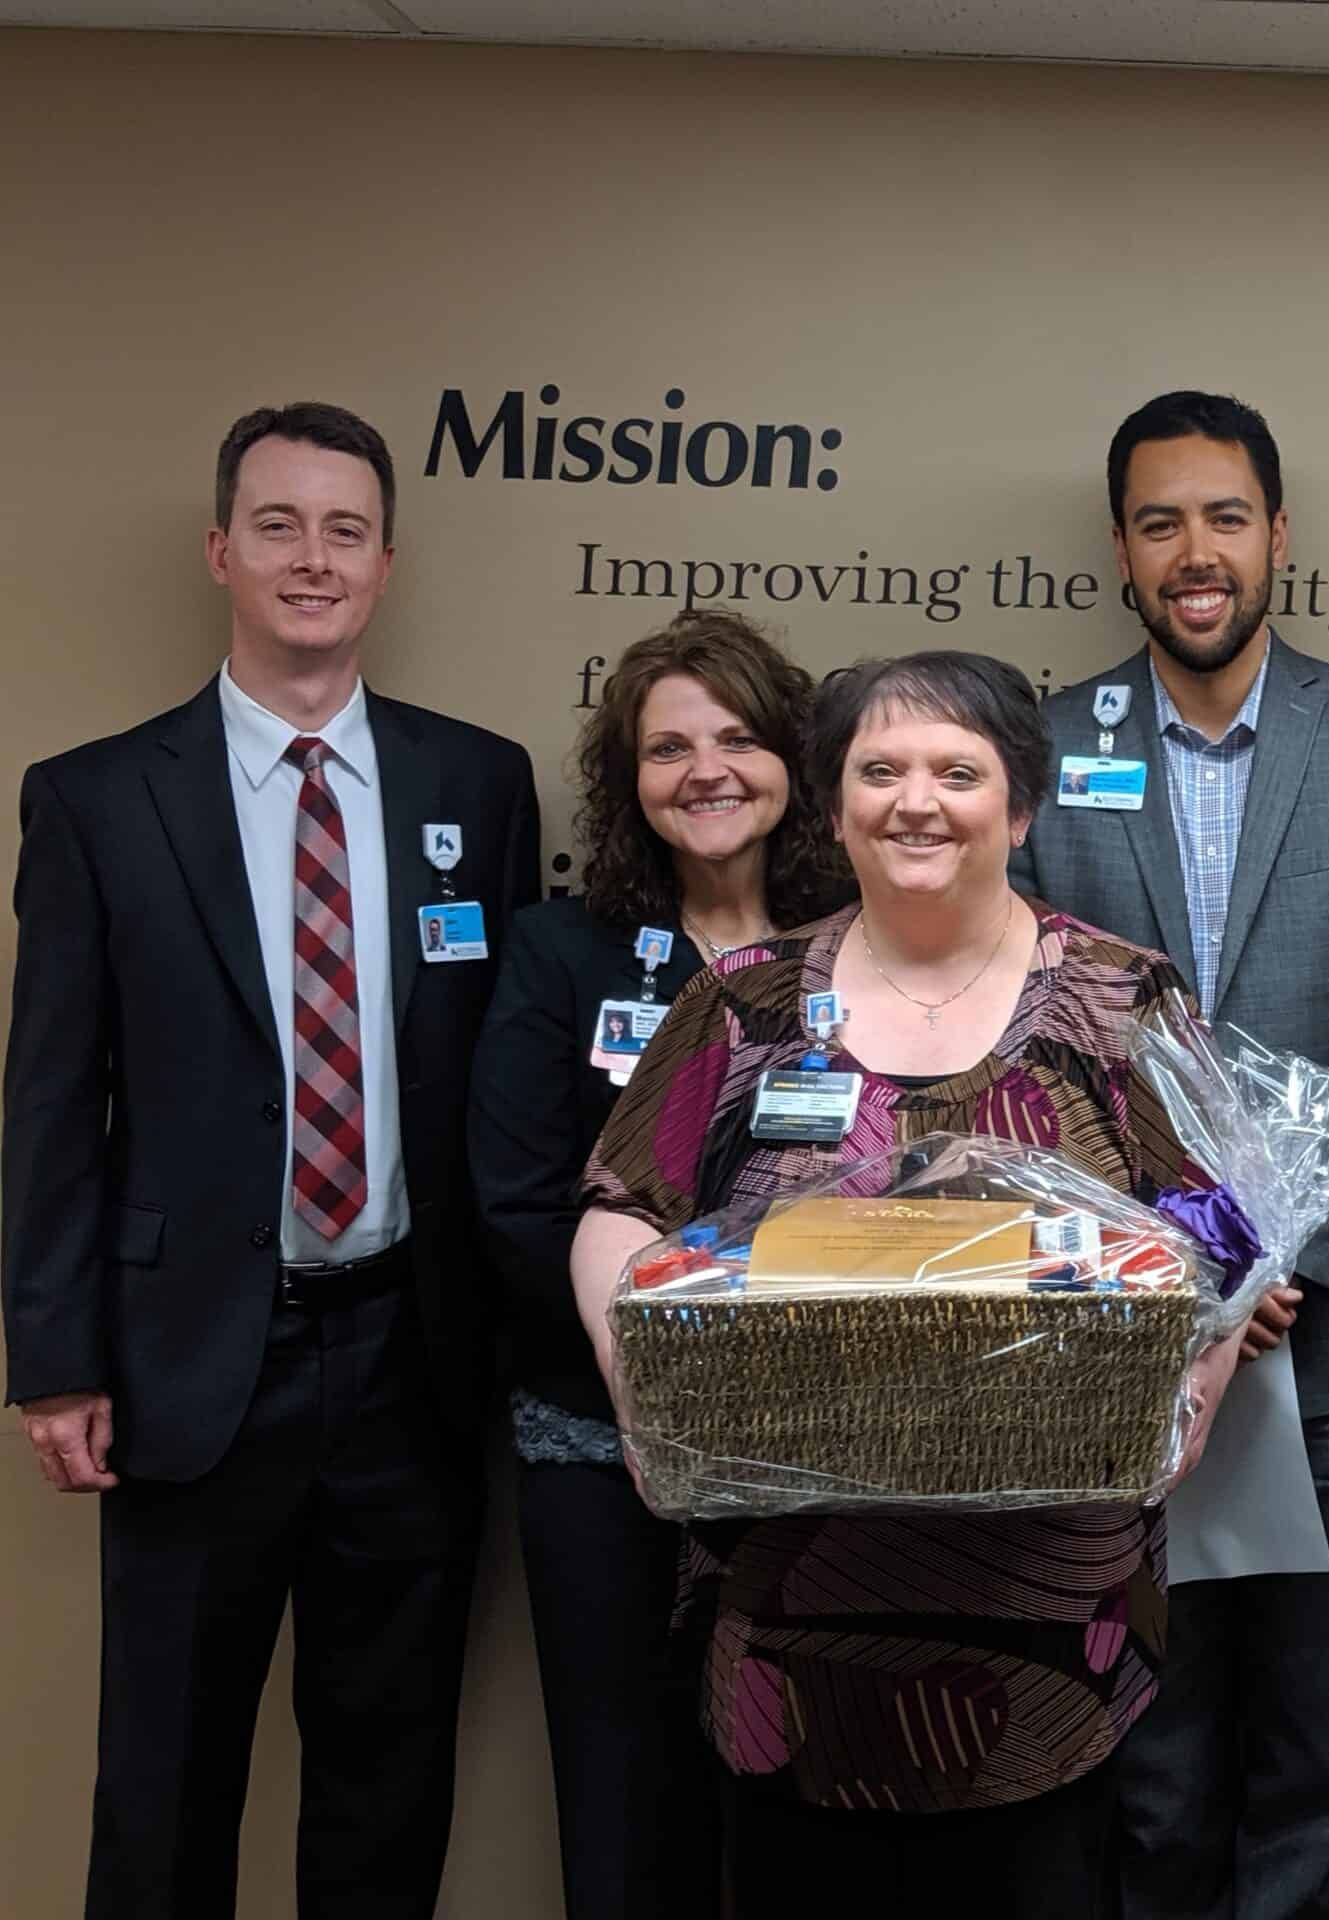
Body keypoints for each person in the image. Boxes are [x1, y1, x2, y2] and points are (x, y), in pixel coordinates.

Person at [570, 651, 1247, 1920]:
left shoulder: (1118, 998)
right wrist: (644, 1381)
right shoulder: (743, 1004)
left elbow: (1222, 1231)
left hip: (1044, 1613)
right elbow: (620, 1208)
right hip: (788, 1614)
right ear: (831, 808)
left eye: (957, 771)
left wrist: (1189, 1401)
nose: (915, 801)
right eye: (878, 771)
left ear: (1021, 806)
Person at [2, 401, 539, 1917]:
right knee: (165, 1781)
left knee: (388, 1776)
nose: (317, 558)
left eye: (348, 529)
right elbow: (50, 1095)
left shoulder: (475, 786)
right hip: (187, 1366)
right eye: (284, 525)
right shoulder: (101, 799)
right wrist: (54, 1355)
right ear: (222, 549)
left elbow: (498, 1084)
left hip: (406, 1356)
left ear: (388, 563)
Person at [1013, 389, 1329, 1920]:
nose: (1195, 553)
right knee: (1142, 1754)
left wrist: (1280, 1255)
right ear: (1121, 552)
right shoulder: (1041, 748)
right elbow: (1016, 1036)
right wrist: (1182, 1259)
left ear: (1280, 534)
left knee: (1315, 1756)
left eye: (1225, 516)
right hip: (1120, 1334)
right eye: (1161, 524)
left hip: (1327, 1344)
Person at [466, 609, 845, 1920]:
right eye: (668, 747)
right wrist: (668, 1377)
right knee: (626, 1816)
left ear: (794, 762)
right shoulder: (560, 955)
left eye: (738, 737)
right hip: (601, 1451)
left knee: (808, 1817)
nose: (707, 769)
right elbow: (518, 1210)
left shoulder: (865, 951)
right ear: (628, 782)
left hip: (823, 1451)